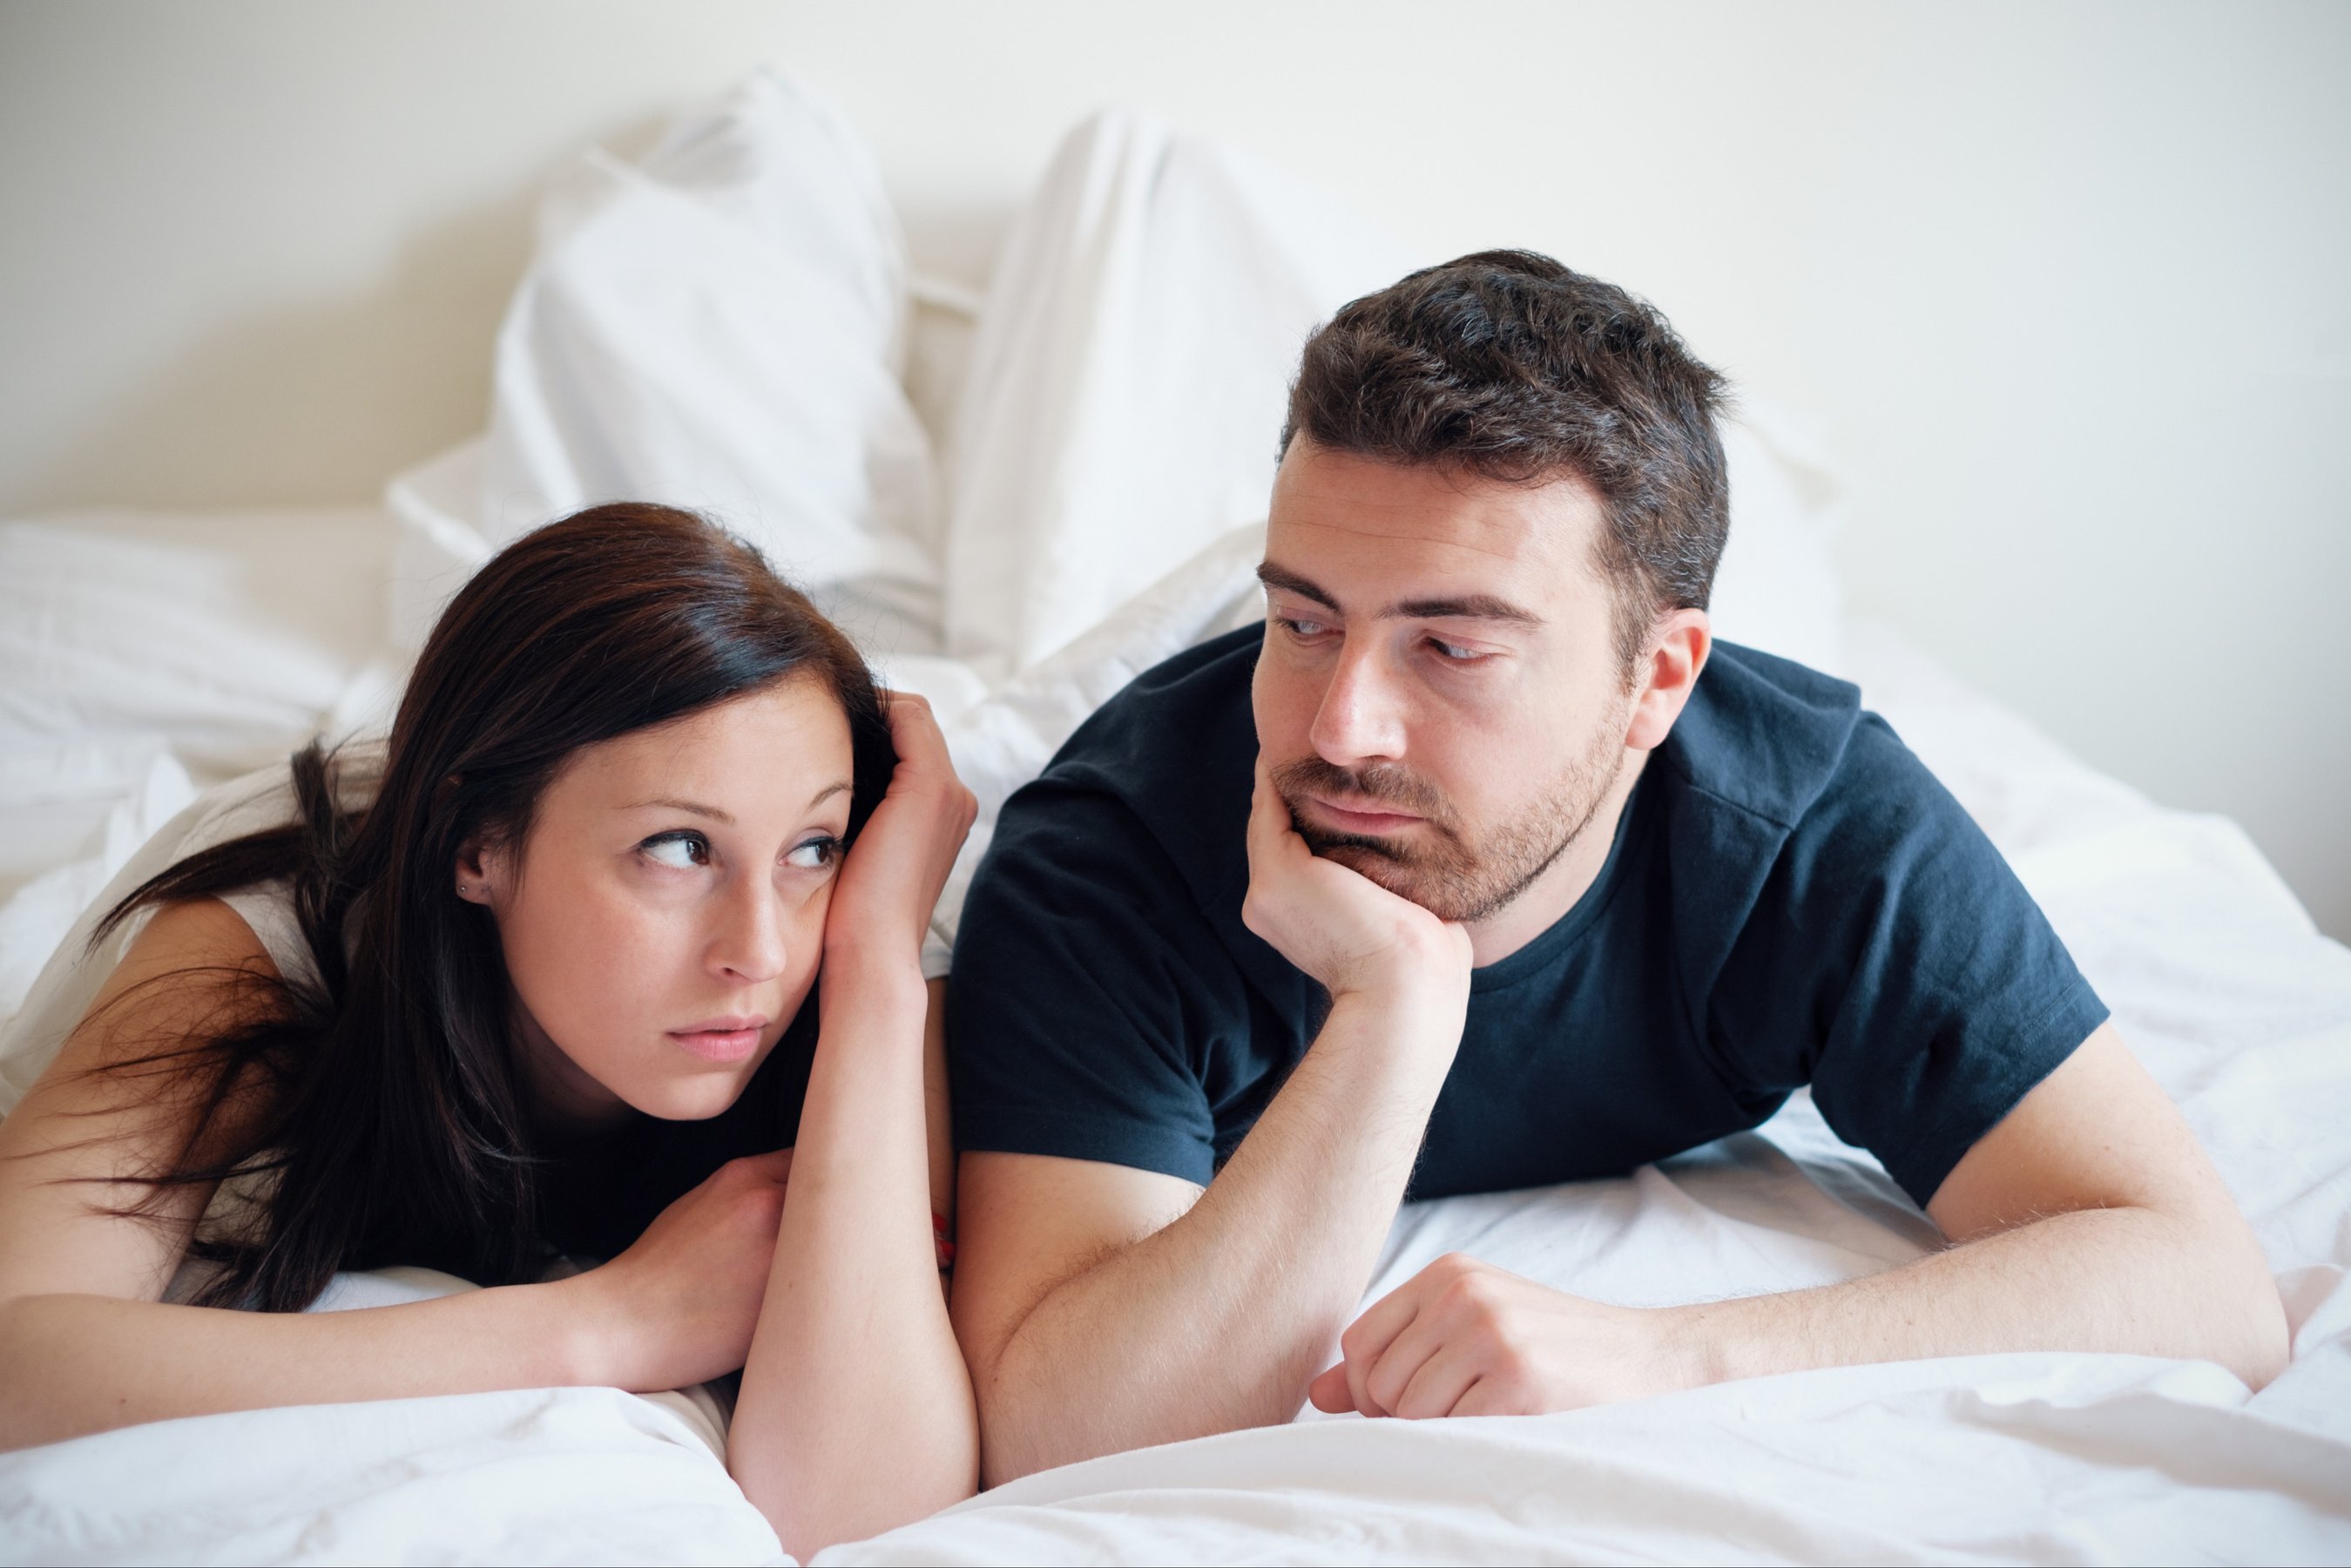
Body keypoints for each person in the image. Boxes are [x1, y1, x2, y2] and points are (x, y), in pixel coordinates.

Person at [944, 250, 2289, 1484]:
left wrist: (1665, 1358)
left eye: (1451, 647)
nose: (1338, 728)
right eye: (1302, 620)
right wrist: (1395, 1013)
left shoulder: (1800, 826)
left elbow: (2197, 1287)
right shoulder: (1109, 855)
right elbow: (1060, 1431)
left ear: (1657, 678)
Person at [0, 504, 978, 1556]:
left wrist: (877, 981)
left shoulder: (862, 953)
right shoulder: (280, 936)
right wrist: (608, 1321)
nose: (761, 952)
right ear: (475, 843)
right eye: (680, 847)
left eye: (812, 845)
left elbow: (861, 1519)